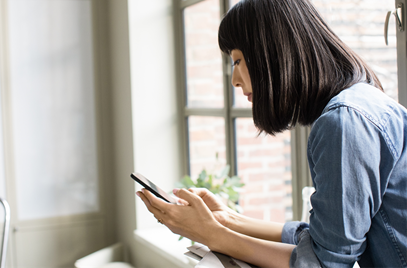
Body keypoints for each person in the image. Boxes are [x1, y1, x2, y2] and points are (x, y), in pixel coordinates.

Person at [136, 0, 407, 267]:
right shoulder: (356, 106)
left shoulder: (344, 122)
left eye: (238, 60)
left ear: (272, 53)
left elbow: (326, 263)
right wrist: (228, 220)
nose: (235, 80)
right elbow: (324, 239)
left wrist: (211, 235)